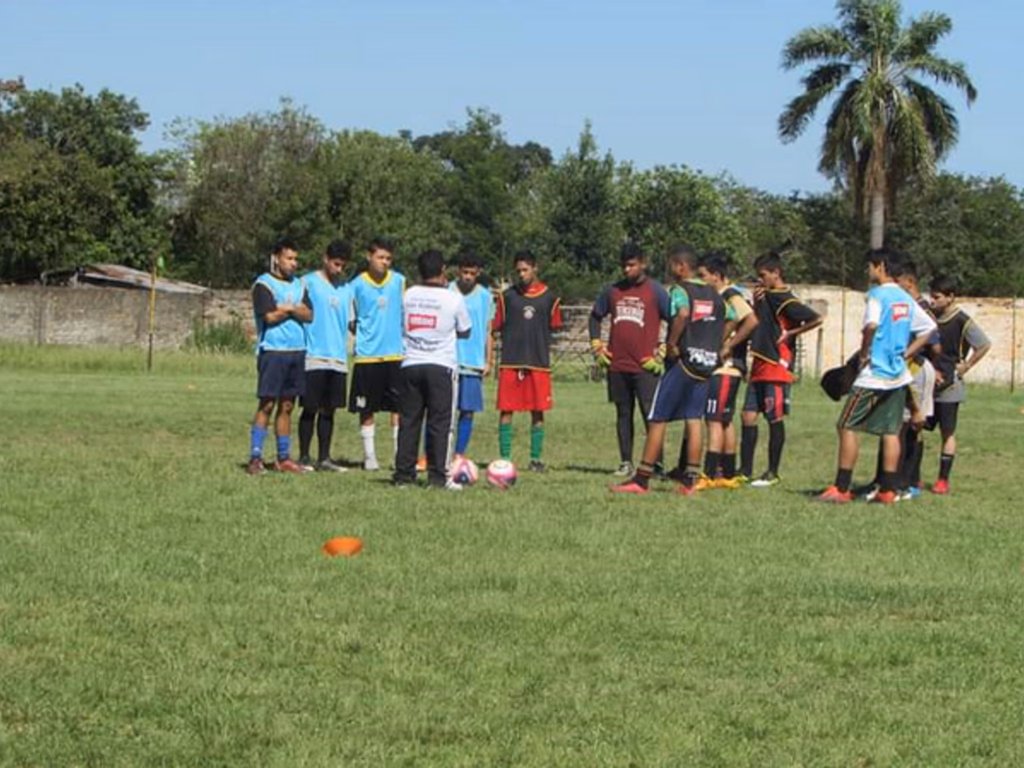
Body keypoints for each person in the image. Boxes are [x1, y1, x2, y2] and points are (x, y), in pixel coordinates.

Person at [611, 245, 735, 496]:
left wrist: (672, 344)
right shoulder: (713, 293)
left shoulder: (680, 290)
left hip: (683, 363)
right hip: (705, 364)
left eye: (671, 265)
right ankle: (690, 480)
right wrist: (716, 344)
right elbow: (732, 317)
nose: (669, 270)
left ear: (681, 266)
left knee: (657, 418)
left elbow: (683, 313)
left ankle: (642, 479)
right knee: (694, 419)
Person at [818, 249, 937, 504]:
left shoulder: (877, 295)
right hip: (898, 375)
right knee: (891, 431)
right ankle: (888, 490)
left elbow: (870, 326)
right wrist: (906, 353)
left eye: (871, 266)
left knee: (846, 426)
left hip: (874, 374)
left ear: (881, 267)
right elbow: (928, 328)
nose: (869, 271)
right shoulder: (905, 298)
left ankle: (841, 487)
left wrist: (863, 353)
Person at [739, 251, 822, 487]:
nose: (760, 280)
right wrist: (756, 303)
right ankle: (744, 470)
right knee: (747, 416)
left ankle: (772, 472)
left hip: (776, 365)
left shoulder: (785, 299)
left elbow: (816, 318)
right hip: (759, 363)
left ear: (776, 273)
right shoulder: (766, 296)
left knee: (774, 418)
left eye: (763, 275)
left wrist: (790, 333)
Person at [589, 242, 672, 476]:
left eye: (632, 265)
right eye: (624, 266)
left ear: (643, 263)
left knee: (651, 414)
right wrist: (597, 346)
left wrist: (663, 351)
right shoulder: (612, 291)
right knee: (623, 413)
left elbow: (675, 320)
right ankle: (626, 462)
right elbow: (595, 317)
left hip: (646, 366)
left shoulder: (655, 291)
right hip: (617, 364)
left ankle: (656, 463)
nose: (627, 270)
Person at [393, 250, 472, 489]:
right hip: (441, 366)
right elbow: (465, 329)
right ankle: (438, 477)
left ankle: (404, 476)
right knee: (441, 423)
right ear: (443, 270)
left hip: (410, 364)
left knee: (409, 421)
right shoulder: (453, 298)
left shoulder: (408, 295)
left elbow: (402, 324)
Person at [247, 238, 313, 475]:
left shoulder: (300, 285)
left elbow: (309, 315)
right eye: (289, 258)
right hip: (273, 352)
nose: (294, 263)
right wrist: (290, 310)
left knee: (287, 406)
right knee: (267, 404)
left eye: (296, 259)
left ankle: (283, 458)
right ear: (276, 258)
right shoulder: (263, 285)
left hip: (297, 351)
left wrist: (288, 308)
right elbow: (269, 317)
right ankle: (255, 458)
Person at [493, 251, 563, 471]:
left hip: (538, 363)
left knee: (538, 411)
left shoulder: (550, 299)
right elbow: (495, 327)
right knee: (506, 410)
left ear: (535, 268)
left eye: (525, 269)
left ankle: (535, 459)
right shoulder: (507, 298)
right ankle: (504, 458)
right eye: (518, 270)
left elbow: (554, 327)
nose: (522, 274)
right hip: (510, 362)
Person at [696, 252, 759, 488]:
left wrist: (728, 346)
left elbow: (751, 320)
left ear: (717, 276)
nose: (702, 281)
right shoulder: (720, 296)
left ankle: (709, 474)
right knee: (724, 421)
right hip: (727, 369)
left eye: (704, 276)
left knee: (713, 420)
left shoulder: (731, 295)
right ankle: (728, 473)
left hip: (726, 368)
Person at [928, 274, 992, 495]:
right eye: (931, 296)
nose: (932, 300)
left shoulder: (962, 321)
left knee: (947, 433)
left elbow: (983, 344)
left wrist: (967, 365)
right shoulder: (929, 316)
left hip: (950, 386)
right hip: (927, 383)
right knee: (914, 427)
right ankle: (911, 477)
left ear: (950, 297)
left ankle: (942, 480)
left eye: (937, 297)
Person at [348, 237, 406, 471]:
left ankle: (398, 454)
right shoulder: (356, 285)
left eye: (388, 258)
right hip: (367, 356)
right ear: (369, 257)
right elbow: (351, 321)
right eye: (380, 257)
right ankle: (370, 456)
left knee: (398, 408)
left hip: (394, 354)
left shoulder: (400, 281)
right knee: (366, 408)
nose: (384, 262)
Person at [297, 240, 352, 472]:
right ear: (325, 259)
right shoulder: (307, 283)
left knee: (329, 410)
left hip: (338, 359)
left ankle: (324, 458)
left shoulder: (346, 289)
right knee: (310, 407)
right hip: (314, 355)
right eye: (336, 264)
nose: (338, 270)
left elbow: (351, 322)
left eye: (342, 266)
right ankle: (303, 457)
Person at [450, 251, 495, 459]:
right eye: (464, 272)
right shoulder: (447, 290)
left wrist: (488, 360)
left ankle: (459, 454)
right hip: (448, 361)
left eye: (472, 273)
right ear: (458, 271)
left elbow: (488, 330)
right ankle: (430, 455)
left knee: (467, 411)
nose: (467, 277)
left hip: (472, 363)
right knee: (440, 411)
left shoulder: (486, 297)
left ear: (478, 273)